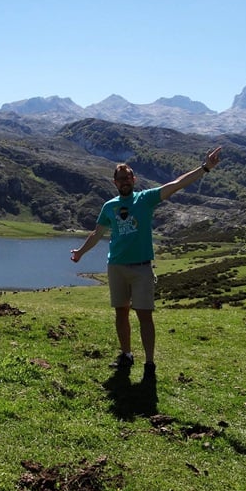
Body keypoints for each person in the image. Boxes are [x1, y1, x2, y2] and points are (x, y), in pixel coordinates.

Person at [71, 146, 222, 375]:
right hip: (117, 267)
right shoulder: (109, 207)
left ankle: (149, 363)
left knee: (144, 315)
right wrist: (81, 252)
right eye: (120, 179)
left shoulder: (145, 199)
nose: (125, 181)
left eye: (128, 177)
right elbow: (97, 233)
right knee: (120, 313)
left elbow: (176, 184)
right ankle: (126, 355)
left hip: (141, 268)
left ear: (134, 179)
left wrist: (205, 168)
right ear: (115, 182)